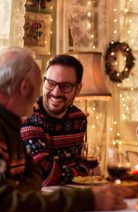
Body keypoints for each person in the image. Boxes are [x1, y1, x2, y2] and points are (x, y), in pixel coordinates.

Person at [0, 47, 126, 212]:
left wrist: (19, 196)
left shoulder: (8, 124)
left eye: (65, 86)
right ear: (25, 87)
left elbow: (33, 173)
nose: (44, 95)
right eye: (45, 85)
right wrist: (88, 199)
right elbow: (0, 207)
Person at [21, 54, 89, 186]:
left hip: (74, 197)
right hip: (40, 201)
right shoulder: (29, 116)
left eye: (65, 86)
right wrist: (84, 172)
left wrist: (81, 170)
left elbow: (80, 162)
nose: (56, 92)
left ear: (78, 89)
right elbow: (45, 177)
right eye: (50, 83)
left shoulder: (79, 118)